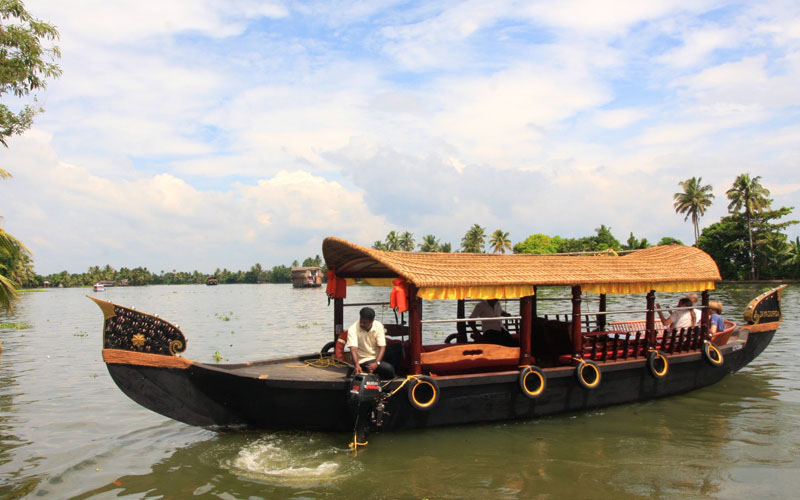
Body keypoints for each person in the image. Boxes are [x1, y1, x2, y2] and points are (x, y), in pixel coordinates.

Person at [345, 307, 395, 379]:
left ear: (372, 321)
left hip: (376, 358)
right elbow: (353, 348)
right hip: (363, 360)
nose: (362, 324)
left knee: (397, 349)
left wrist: (377, 363)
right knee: (388, 369)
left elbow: (382, 347)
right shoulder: (353, 329)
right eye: (361, 321)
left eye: (365, 322)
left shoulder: (378, 326)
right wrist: (356, 365)